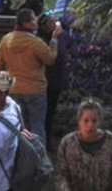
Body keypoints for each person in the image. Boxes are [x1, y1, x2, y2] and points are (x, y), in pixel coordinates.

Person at [0, 8, 60, 144]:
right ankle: (39, 158)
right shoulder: (35, 43)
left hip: (14, 90)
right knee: (37, 125)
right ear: (27, 24)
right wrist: (54, 40)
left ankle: (21, 155)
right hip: (35, 90)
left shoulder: (6, 40)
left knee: (20, 126)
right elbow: (50, 60)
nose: (36, 22)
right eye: (34, 19)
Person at [55, 99, 112, 191]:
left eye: (94, 121)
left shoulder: (111, 142)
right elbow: (62, 176)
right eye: (86, 121)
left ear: (100, 121)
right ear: (79, 121)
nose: (90, 125)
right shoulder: (67, 143)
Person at [36, 10, 68, 147]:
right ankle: (45, 141)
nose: (54, 24)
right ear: (43, 26)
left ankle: (47, 138)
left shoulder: (55, 37)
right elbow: (51, 59)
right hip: (47, 82)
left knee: (50, 112)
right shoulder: (43, 41)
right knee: (45, 114)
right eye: (51, 22)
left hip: (55, 80)